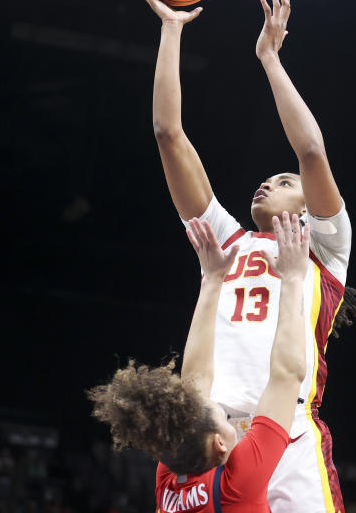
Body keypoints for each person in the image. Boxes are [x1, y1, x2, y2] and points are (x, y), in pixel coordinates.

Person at [138, 0, 356, 512]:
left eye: (284, 182)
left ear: (308, 208)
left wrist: (270, 58)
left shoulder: (324, 250)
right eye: (268, 179)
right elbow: (167, 133)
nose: (269, 183)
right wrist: (171, 30)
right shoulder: (224, 242)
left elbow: (310, 149)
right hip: (209, 437)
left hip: (285, 432)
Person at [88, 212, 309, 512]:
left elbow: (196, 382)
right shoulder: (212, 482)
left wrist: (213, 280)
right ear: (220, 444)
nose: (216, 403)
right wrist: (294, 279)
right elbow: (286, 374)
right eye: (220, 414)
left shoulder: (177, 475)